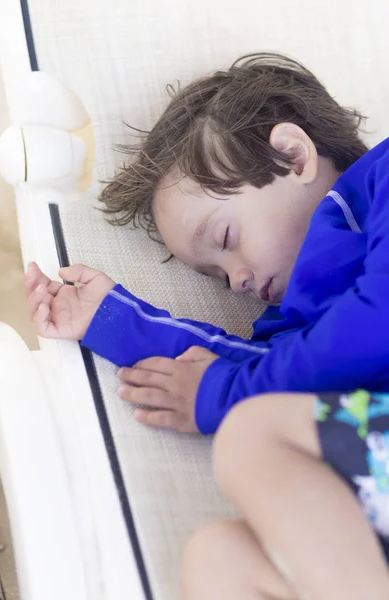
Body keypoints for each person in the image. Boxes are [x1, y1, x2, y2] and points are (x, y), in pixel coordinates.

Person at [24, 53, 389, 598]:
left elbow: (376, 324)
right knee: (215, 561)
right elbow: (254, 368)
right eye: (216, 275)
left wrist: (229, 393)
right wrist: (110, 320)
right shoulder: (294, 329)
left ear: (292, 156)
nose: (236, 279)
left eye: (226, 240)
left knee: (250, 432)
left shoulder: (382, 179)